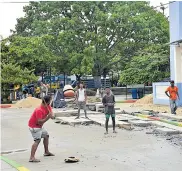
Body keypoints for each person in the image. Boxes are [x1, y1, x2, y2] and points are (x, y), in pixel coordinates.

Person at [28, 95, 55, 162]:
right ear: (47, 102)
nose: (51, 102)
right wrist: (48, 117)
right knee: (37, 140)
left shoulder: (48, 106)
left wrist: (52, 116)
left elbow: (52, 114)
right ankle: (32, 157)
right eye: (50, 101)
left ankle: (46, 152)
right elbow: (39, 122)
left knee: (46, 136)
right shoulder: (39, 110)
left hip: (40, 127)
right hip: (34, 126)